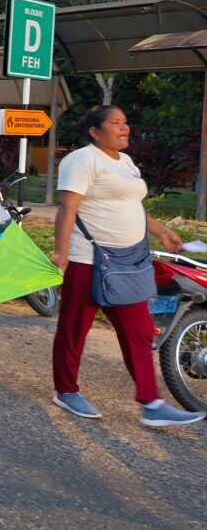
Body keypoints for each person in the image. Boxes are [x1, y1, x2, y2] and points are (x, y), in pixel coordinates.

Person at [51, 105, 205, 427]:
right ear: (95, 132)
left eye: (125, 122)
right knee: (74, 328)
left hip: (128, 261)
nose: (124, 128)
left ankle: (152, 403)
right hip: (88, 259)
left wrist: (161, 230)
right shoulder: (81, 160)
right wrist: (61, 253)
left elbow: (130, 204)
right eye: (115, 123)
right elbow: (67, 208)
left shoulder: (126, 162)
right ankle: (66, 390)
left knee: (138, 331)